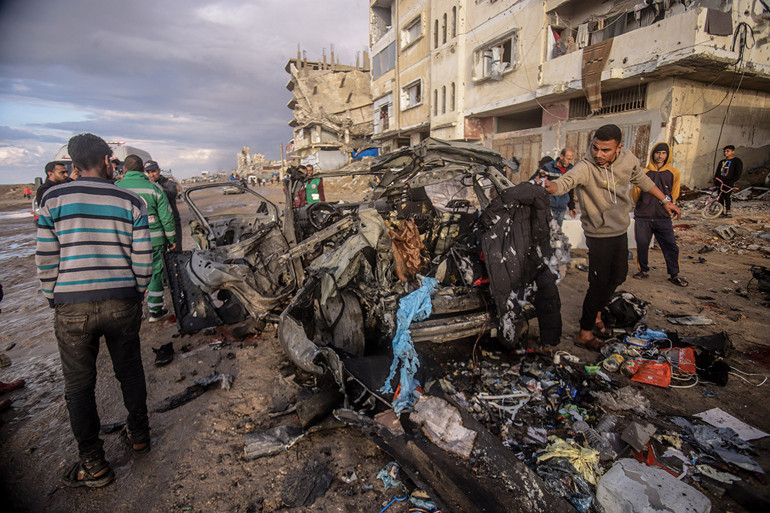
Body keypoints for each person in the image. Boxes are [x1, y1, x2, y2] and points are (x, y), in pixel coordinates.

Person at [35, 133, 153, 487]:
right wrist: (137, 292)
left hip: (71, 305)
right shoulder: (130, 200)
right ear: (106, 160)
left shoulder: (52, 198)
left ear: (73, 164)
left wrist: (53, 296)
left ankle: (94, 463)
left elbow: (45, 258)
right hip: (122, 300)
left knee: (79, 386)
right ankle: (139, 436)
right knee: (129, 371)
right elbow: (142, 258)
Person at [544, 124, 680, 349]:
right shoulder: (585, 167)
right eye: (595, 148)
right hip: (598, 234)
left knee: (618, 275)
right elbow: (567, 181)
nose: (598, 154)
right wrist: (553, 187)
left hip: (619, 231)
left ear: (618, 148)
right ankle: (585, 333)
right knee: (598, 284)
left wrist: (665, 201)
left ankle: (597, 315)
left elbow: (643, 180)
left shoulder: (628, 160)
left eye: (605, 150)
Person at [117, 155, 177, 321]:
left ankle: (132, 312)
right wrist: (171, 239)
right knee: (155, 274)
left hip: (124, 241)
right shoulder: (154, 188)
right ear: (143, 170)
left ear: (126, 170)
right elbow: (166, 218)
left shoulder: (116, 188)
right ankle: (155, 311)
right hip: (154, 240)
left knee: (126, 274)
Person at [632, 142, 688, 287]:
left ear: (667, 155)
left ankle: (674, 273)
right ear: (653, 154)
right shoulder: (644, 172)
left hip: (662, 216)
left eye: (663, 153)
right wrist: (643, 206)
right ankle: (643, 270)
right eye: (657, 153)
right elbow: (636, 193)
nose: (660, 156)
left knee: (670, 245)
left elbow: (674, 193)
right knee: (642, 244)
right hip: (643, 215)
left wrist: (669, 206)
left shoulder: (673, 172)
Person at [145, 160, 182, 252]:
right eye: (148, 172)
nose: (151, 175)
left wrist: (156, 188)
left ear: (159, 170)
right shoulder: (146, 185)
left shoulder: (169, 184)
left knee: (176, 251)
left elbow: (172, 194)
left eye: (153, 171)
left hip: (172, 223)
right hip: (157, 225)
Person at [538, 148, 577, 228]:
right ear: (561, 156)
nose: (570, 162)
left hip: (562, 208)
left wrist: (571, 207)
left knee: (557, 234)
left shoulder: (571, 170)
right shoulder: (547, 168)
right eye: (568, 159)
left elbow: (570, 189)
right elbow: (539, 187)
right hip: (549, 207)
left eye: (571, 160)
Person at [713, 145, 743, 217]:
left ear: (733, 152)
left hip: (729, 182)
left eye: (728, 151)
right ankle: (721, 211)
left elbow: (738, 172)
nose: (726, 153)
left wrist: (733, 180)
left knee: (727, 196)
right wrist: (716, 180)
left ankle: (728, 211)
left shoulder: (736, 161)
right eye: (724, 151)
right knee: (720, 196)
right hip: (721, 181)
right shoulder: (722, 162)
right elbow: (718, 172)